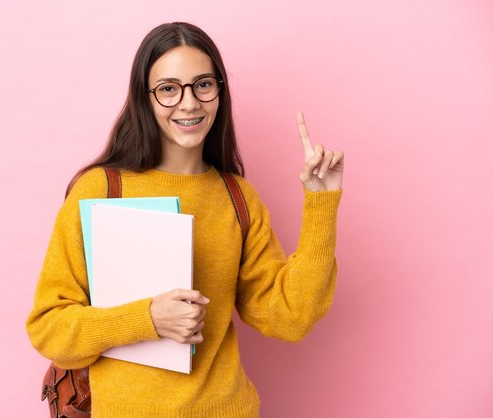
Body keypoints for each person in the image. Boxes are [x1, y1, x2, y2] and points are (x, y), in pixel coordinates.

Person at [26, 21, 344, 418]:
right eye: (169, 89)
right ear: (146, 99)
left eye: (203, 85)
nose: (189, 103)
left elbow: (290, 318)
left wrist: (322, 203)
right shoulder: (101, 190)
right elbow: (49, 329)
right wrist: (147, 319)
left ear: (219, 92)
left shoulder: (237, 197)